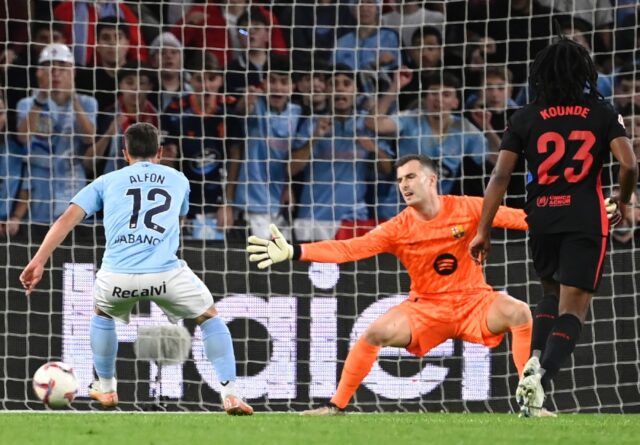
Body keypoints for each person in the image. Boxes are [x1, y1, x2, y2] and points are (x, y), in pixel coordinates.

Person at [247, 154, 533, 415]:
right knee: (374, 333)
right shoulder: (397, 228)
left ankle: (530, 403)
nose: (404, 185)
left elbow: (523, 219)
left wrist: (567, 217)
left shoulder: (468, 207)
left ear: (431, 180)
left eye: (410, 177)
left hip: (474, 302)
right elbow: (348, 249)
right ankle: (336, 406)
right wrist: (296, 251)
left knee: (519, 313)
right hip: (427, 309)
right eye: (399, 180)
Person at [19, 123, 253, 415]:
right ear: (160, 152)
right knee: (209, 317)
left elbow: (67, 219)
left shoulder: (106, 181)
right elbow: (179, 217)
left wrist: (38, 260)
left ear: (124, 153)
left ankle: (106, 388)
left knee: (102, 313)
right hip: (165, 273)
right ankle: (230, 393)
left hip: (117, 276)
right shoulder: (178, 179)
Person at [469, 38, 638, 417]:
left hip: (541, 215)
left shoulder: (525, 116)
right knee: (574, 310)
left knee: (549, 294)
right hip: (584, 217)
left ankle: (532, 363)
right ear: (584, 73)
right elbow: (629, 165)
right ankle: (541, 379)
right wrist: (623, 201)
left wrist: (484, 229)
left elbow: (500, 175)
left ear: (540, 74)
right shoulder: (601, 111)